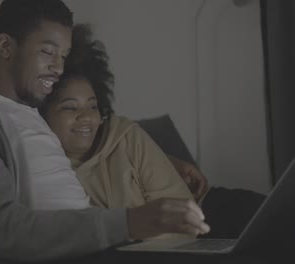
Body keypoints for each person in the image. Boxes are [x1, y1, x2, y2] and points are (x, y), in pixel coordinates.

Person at [0, 1, 209, 263]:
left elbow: (84, 154)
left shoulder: (34, 114)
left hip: (103, 250)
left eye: (63, 55)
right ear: (5, 46)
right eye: (48, 52)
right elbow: (2, 229)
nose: (58, 67)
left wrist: (167, 161)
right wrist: (128, 222)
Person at [39, 23, 265, 239]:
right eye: (69, 107)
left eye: (93, 106)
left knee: (275, 212)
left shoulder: (126, 135)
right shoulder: (47, 174)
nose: (86, 116)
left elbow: (184, 220)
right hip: (177, 238)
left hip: (201, 216)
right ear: (42, 114)